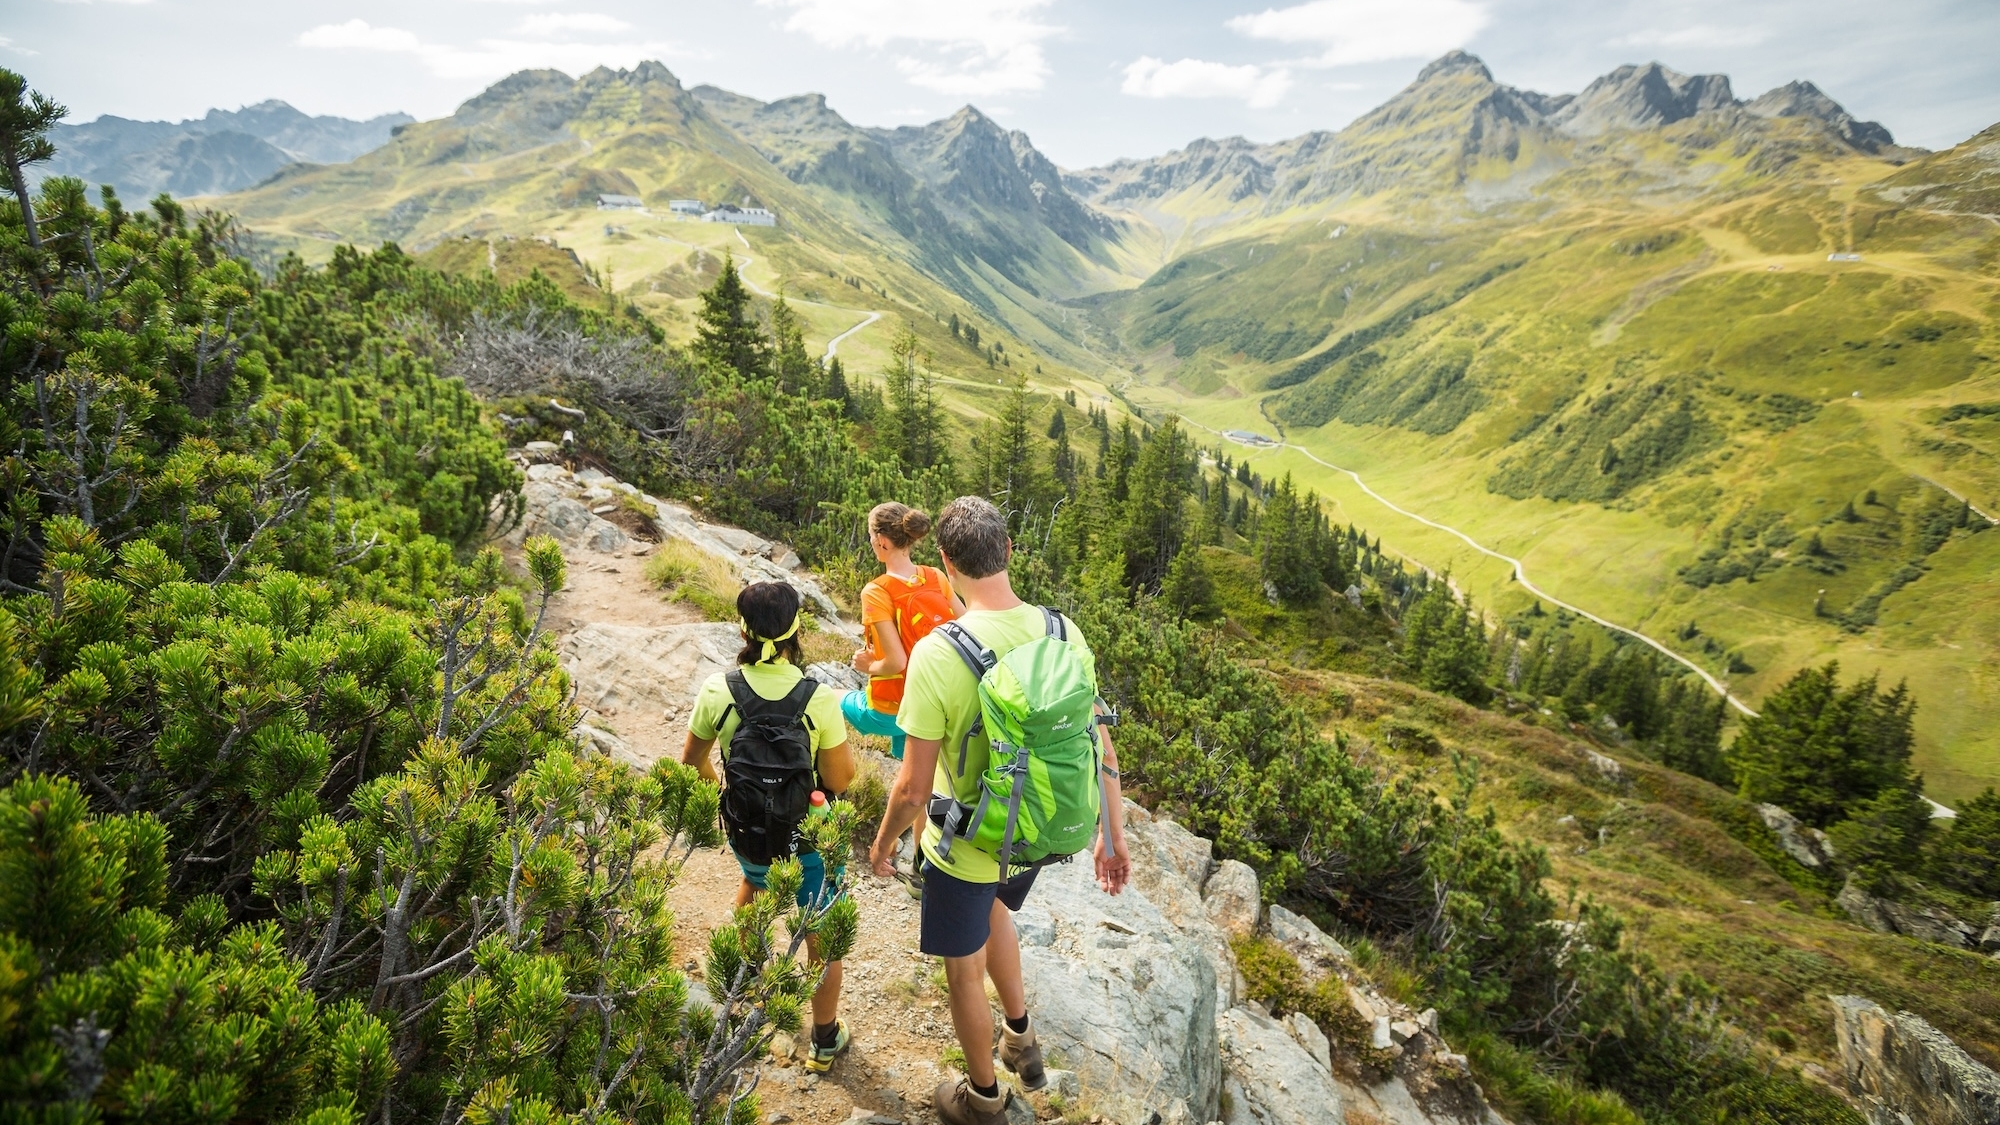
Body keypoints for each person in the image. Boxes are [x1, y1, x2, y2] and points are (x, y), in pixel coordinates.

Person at [868, 496, 1132, 1125]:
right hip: (1035, 829)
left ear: (945, 562)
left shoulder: (938, 653)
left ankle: (983, 1100)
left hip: (969, 841)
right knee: (997, 911)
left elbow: (913, 788)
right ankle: (1021, 1039)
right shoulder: (1062, 631)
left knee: (964, 972)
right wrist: (1112, 835)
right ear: (1009, 550)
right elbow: (1099, 743)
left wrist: (881, 846)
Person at [683, 581, 857, 1074]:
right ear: (796, 633)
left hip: (749, 837)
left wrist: (732, 799)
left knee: (754, 881)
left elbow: (691, 761)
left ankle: (747, 983)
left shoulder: (719, 690)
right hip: (809, 842)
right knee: (820, 933)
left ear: (743, 631)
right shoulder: (817, 698)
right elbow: (840, 779)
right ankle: (824, 1039)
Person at [843, 502, 964, 761]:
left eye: (870, 536)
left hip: (892, 711)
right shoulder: (935, 577)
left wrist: (868, 666)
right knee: (909, 760)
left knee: (828, 698)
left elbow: (897, 662)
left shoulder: (876, 591)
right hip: (937, 701)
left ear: (882, 541)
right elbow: (967, 626)